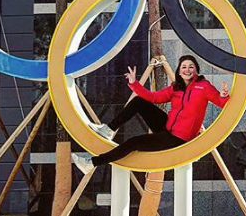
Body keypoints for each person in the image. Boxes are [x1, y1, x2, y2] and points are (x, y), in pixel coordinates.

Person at [72, 55, 229, 174]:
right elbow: (154, 97)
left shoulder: (204, 87)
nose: (187, 70)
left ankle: (92, 163)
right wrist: (134, 84)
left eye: (191, 67)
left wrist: (223, 95)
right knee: (140, 101)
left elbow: (220, 102)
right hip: (167, 127)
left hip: (178, 138)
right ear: (179, 71)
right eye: (184, 67)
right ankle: (109, 129)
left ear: (196, 70)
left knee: (133, 142)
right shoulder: (176, 87)